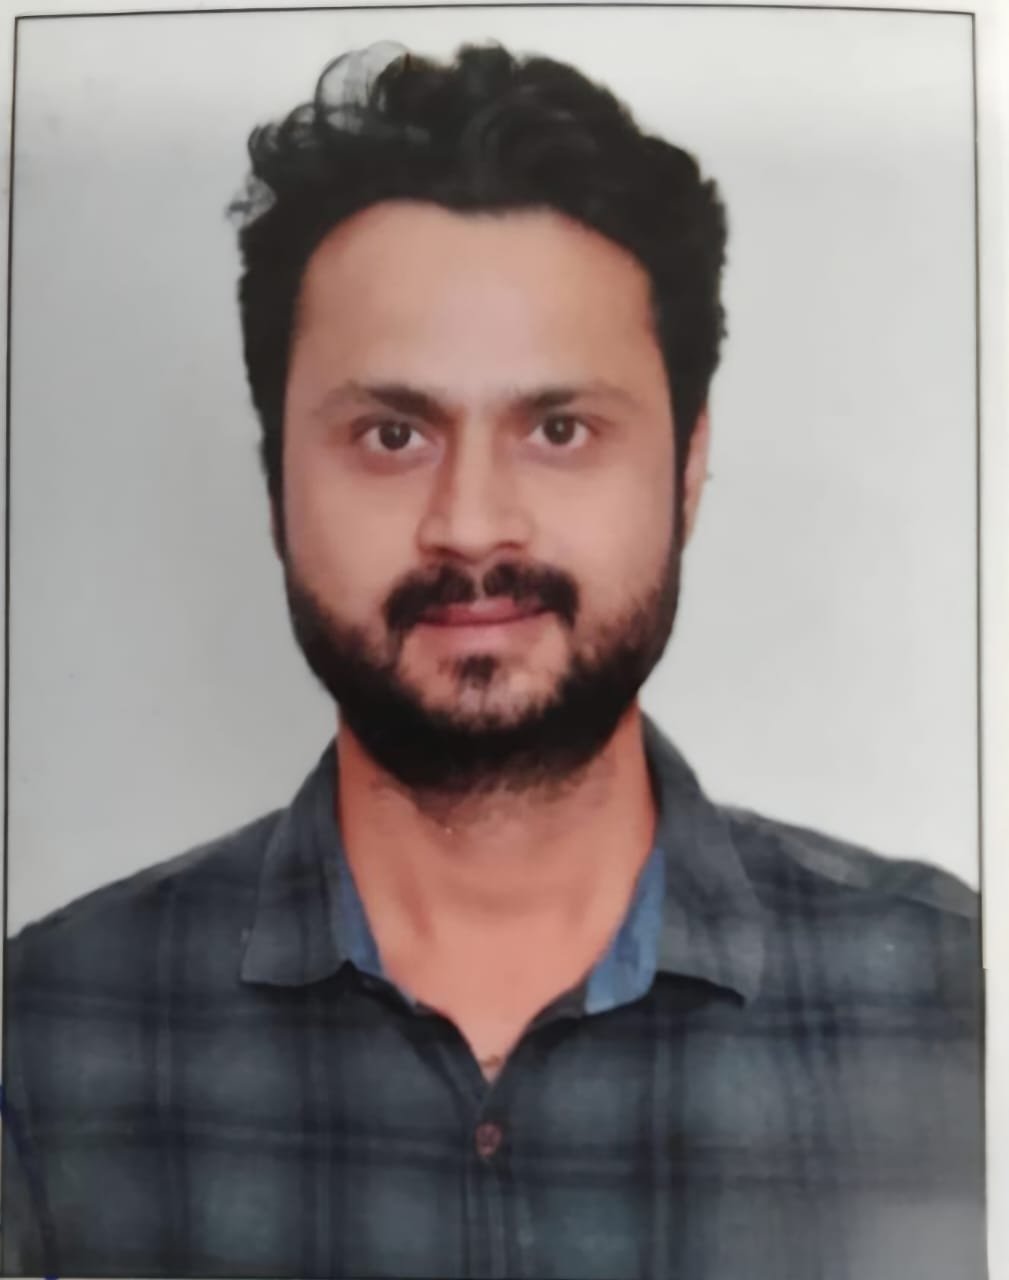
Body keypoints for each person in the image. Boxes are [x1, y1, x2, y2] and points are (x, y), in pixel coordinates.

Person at [1, 40, 984, 1280]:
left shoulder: (953, 1005)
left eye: (559, 427)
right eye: (391, 433)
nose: (470, 524)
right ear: (274, 479)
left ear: (686, 469)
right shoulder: (40, 1038)